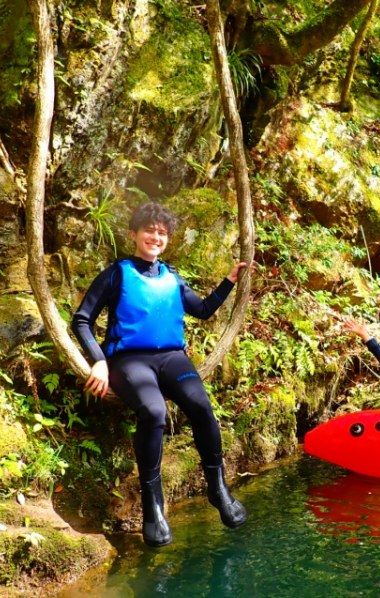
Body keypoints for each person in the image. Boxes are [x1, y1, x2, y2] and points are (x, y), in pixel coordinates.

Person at [72, 202, 248, 547]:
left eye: (162, 232)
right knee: (154, 412)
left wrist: (228, 282)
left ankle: (218, 488)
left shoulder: (171, 277)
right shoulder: (116, 273)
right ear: (134, 234)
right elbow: (82, 320)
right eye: (149, 230)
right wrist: (98, 361)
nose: (156, 237)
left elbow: (203, 310)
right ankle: (154, 506)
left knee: (201, 407)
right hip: (129, 361)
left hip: (171, 359)